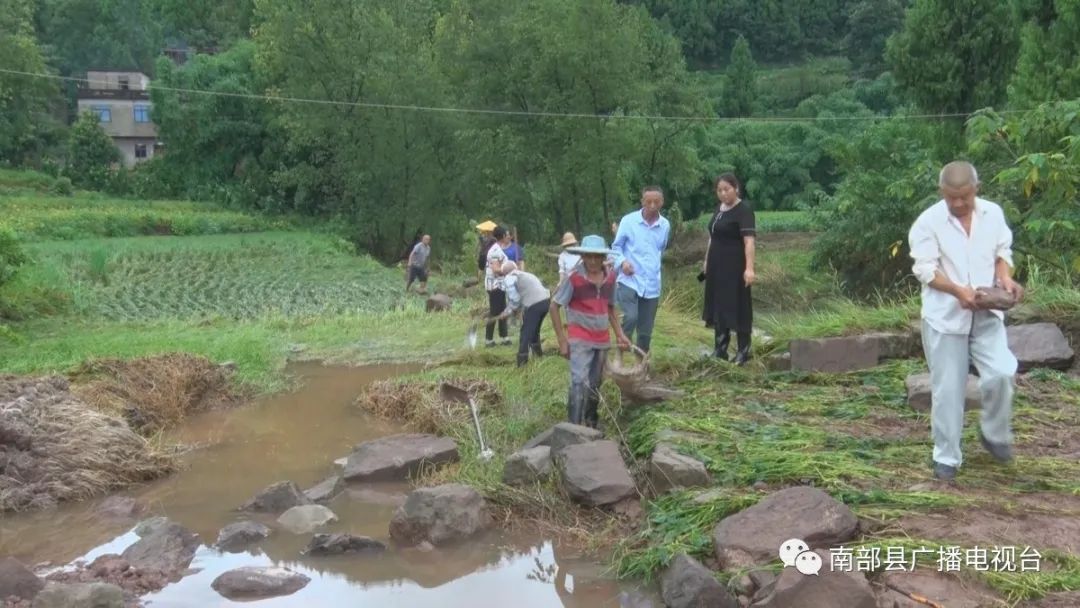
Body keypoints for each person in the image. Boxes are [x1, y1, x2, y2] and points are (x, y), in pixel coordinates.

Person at [907, 160, 1023, 482]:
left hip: (987, 313)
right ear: (942, 192)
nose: (958, 204)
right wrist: (958, 291)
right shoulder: (927, 222)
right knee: (948, 390)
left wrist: (1005, 281)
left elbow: (1003, 253)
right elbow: (925, 269)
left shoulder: (993, 214)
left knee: (1002, 372)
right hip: (946, 319)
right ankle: (946, 458)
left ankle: (994, 433)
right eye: (951, 198)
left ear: (976, 189)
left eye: (965, 197)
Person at [550, 235, 631, 428]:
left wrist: (620, 333)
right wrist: (562, 340)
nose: (593, 261)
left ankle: (591, 421)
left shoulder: (610, 278)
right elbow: (554, 306)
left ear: (603, 258)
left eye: (597, 257)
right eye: (589, 257)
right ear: (583, 257)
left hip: (601, 338)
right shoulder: (574, 278)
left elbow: (610, 307)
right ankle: (574, 426)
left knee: (595, 381)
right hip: (579, 337)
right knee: (579, 380)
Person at [702, 173, 756, 364]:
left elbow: (749, 241)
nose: (723, 194)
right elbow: (712, 237)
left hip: (735, 265)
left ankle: (743, 350)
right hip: (717, 265)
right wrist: (707, 261)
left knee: (739, 304)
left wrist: (749, 269)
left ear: (736, 188)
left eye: (727, 189)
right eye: (719, 190)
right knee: (719, 304)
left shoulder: (744, 210)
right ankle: (721, 348)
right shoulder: (719, 209)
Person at [611, 186, 671, 354]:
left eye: (656, 202)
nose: (652, 205)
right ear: (642, 202)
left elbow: (660, 248)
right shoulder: (628, 221)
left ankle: (641, 364)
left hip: (651, 284)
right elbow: (616, 248)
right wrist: (623, 263)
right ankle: (620, 357)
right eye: (648, 201)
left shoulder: (665, 225)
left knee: (645, 331)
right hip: (629, 279)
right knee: (630, 317)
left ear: (662, 202)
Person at [497, 261, 550, 366]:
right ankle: (538, 356)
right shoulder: (525, 274)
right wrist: (511, 310)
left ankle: (522, 362)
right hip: (546, 301)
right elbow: (522, 295)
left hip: (534, 304)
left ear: (504, 273)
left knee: (525, 333)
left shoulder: (509, 278)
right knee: (534, 331)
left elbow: (515, 299)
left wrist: (507, 312)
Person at [484, 225, 513, 347]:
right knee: (495, 312)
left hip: (501, 285)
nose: (509, 237)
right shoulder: (495, 251)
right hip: (495, 285)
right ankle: (488, 339)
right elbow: (496, 269)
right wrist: (510, 269)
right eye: (507, 235)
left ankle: (504, 337)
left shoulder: (498, 249)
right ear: (502, 237)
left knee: (502, 310)